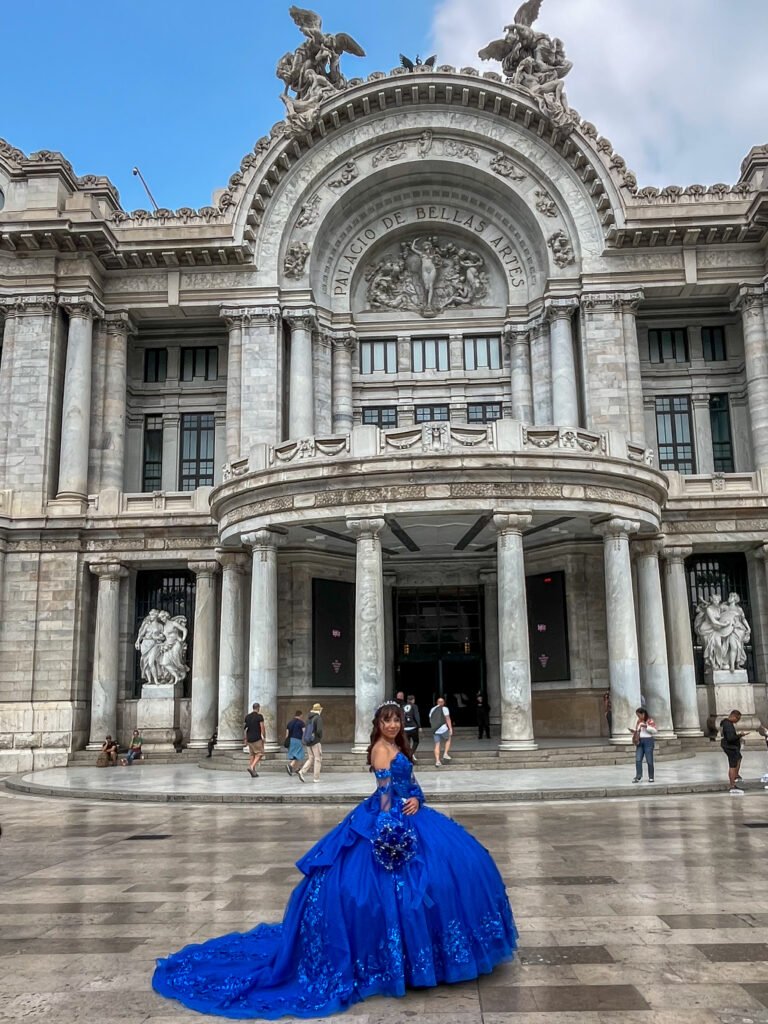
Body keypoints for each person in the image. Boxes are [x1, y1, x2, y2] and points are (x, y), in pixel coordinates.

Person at [152, 701, 518, 1017]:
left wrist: (418, 801)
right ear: (377, 725)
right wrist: (391, 832)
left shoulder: (399, 746)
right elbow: (385, 793)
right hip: (388, 821)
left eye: (394, 720)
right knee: (386, 890)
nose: (391, 725)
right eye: (385, 720)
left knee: (452, 875)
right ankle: (398, 962)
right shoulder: (380, 749)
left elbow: (412, 785)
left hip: (412, 816)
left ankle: (420, 959)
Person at [721, 709, 749, 795]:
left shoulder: (727, 724)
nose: (737, 721)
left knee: (739, 758)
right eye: (737, 719)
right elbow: (730, 738)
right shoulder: (728, 725)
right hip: (730, 747)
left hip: (731, 747)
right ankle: (732, 784)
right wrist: (740, 735)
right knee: (732, 765)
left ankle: (735, 776)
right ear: (733, 716)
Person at [298, 703, 323, 783]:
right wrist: (319, 737)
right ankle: (316, 778)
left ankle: (302, 771)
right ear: (319, 710)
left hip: (308, 741)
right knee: (318, 759)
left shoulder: (308, 718)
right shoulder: (318, 718)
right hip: (315, 741)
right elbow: (319, 730)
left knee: (311, 758)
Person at [629, 708, 657, 783]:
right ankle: (638, 776)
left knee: (649, 760)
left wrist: (645, 726)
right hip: (640, 741)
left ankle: (651, 777)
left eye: (639, 715)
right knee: (638, 759)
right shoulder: (639, 721)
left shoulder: (649, 721)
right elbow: (638, 730)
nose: (638, 717)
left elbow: (654, 730)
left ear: (643, 714)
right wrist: (634, 732)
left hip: (648, 741)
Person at [428, 696, 452, 767]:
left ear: (437, 702)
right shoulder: (444, 708)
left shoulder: (432, 709)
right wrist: (450, 728)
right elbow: (447, 718)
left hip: (435, 730)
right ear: (443, 703)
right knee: (448, 739)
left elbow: (430, 719)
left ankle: (437, 761)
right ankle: (445, 753)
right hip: (443, 728)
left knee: (437, 744)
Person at [243, 703, 265, 779]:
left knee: (252, 755)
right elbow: (262, 727)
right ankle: (252, 767)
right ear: (258, 708)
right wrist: (263, 737)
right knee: (260, 753)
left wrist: (245, 739)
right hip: (257, 738)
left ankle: (254, 772)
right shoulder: (259, 716)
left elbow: (245, 729)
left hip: (249, 738)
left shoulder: (247, 717)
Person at [285, 711, 306, 776]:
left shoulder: (289, 723)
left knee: (295, 754)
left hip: (291, 740)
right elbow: (304, 732)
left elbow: (287, 734)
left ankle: (297, 768)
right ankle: (291, 766)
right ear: (300, 715)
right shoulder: (301, 723)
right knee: (299, 755)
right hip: (297, 740)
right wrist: (304, 740)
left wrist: (286, 741)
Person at [402, 694, 421, 759]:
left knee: (407, 742)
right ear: (413, 700)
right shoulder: (414, 706)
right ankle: (411, 753)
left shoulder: (403, 706)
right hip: (413, 727)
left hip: (405, 727)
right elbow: (416, 716)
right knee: (416, 741)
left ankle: (409, 754)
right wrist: (419, 726)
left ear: (407, 700)